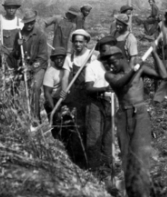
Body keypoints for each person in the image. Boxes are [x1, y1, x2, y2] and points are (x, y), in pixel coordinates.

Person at [100, 45, 167, 197]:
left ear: (122, 57)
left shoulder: (140, 68)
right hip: (123, 115)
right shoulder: (110, 75)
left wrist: (154, 54)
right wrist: (135, 69)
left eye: (112, 61)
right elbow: (121, 83)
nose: (110, 66)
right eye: (107, 63)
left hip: (140, 114)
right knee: (126, 159)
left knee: (140, 157)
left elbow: (163, 75)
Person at [60, 29, 96, 168]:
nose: (78, 44)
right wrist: (64, 90)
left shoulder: (91, 56)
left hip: (89, 94)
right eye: (76, 42)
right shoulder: (70, 58)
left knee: (90, 125)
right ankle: (78, 157)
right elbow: (65, 76)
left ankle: (92, 157)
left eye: (81, 42)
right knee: (78, 124)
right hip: (77, 94)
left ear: (86, 42)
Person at [84, 36, 117, 174]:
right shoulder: (92, 66)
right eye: (105, 50)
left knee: (109, 136)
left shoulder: (115, 65)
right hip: (95, 103)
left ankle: (109, 167)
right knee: (94, 136)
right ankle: (94, 169)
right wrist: (104, 89)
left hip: (111, 103)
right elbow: (88, 88)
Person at [10, 9, 48, 124]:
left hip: (38, 66)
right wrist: (18, 45)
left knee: (35, 87)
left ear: (35, 22)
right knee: (12, 83)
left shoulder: (41, 35)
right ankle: (17, 114)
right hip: (23, 65)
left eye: (31, 22)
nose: (29, 25)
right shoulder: (19, 34)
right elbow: (16, 55)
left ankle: (35, 117)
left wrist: (31, 68)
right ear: (24, 23)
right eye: (27, 23)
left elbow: (43, 56)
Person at [0, 0, 23, 69]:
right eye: (9, 8)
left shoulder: (20, 22)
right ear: (5, 8)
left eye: (13, 8)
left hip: (17, 54)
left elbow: (24, 40)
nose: (11, 10)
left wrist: (21, 45)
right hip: (4, 55)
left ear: (16, 9)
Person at [43, 46, 66, 139]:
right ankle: (57, 139)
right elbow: (47, 93)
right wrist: (54, 109)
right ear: (53, 60)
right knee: (56, 121)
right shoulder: (50, 72)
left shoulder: (68, 70)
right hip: (54, 100)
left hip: (66, 98)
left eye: (62, 58)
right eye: (57, 59)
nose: (59, 61)